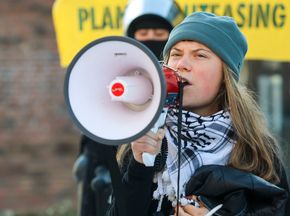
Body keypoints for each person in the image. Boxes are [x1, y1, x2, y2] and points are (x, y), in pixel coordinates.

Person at [107, 11, 290, 216]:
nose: (181, 64)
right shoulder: (142, 138)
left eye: (200, 55)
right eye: (175, 54)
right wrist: (139, 166)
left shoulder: (256, 150)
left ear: (225, 77)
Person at [73, 1, 184, 216]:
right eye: (143, 32)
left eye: (159, 32)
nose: (151, 38)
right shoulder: (115, 83)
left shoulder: (188, 88)